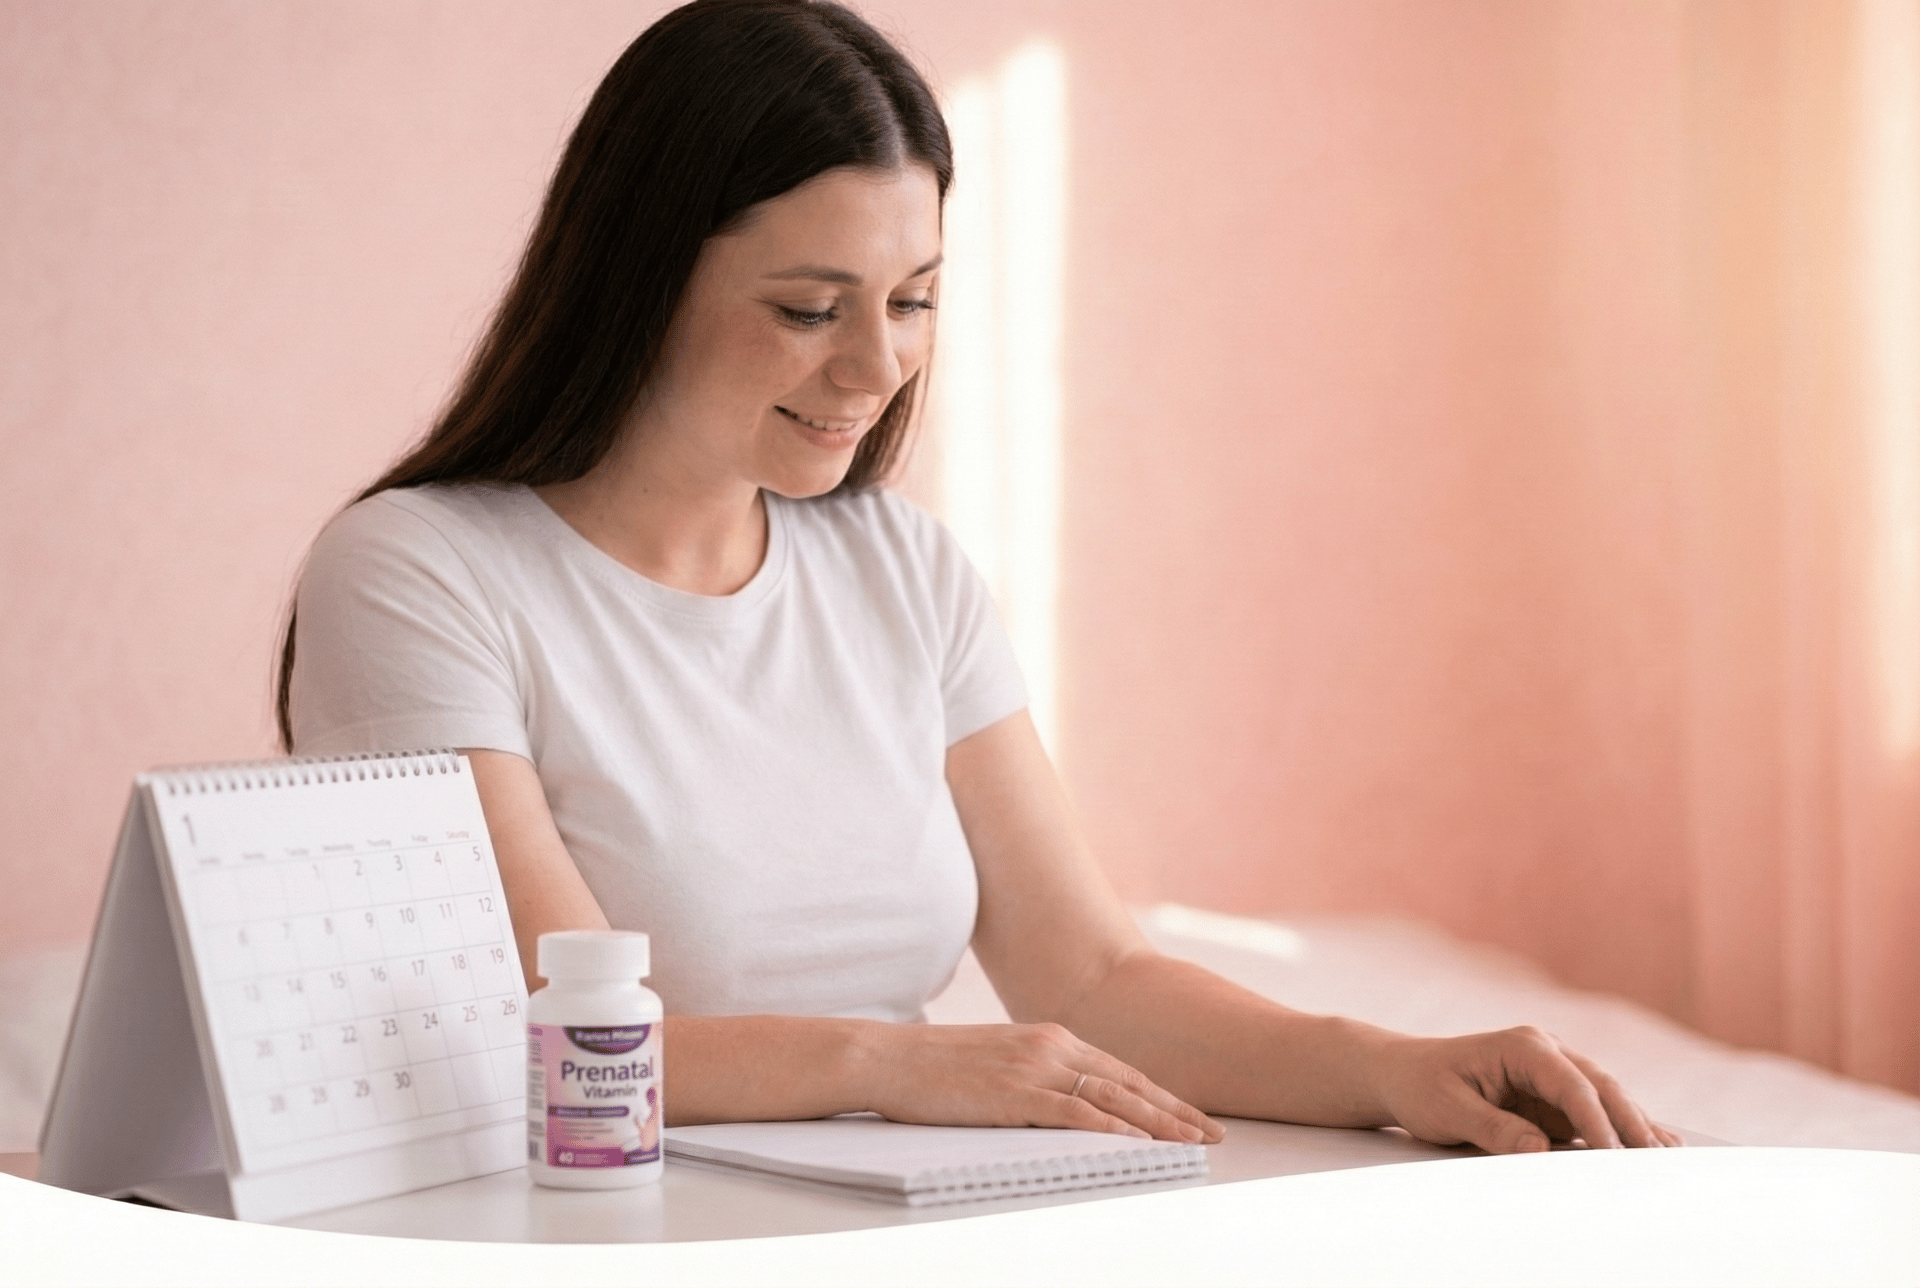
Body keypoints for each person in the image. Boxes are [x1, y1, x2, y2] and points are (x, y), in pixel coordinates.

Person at [281, 0, 1679, 1153]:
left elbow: (1089, 977)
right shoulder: (420, 573)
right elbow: (566, 1035)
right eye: (808, 309)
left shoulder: (899, 565)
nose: (878, 366)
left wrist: (1386, 1066)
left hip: (909, 1205)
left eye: (913, 299)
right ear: (635, 278)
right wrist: (901, 1062)